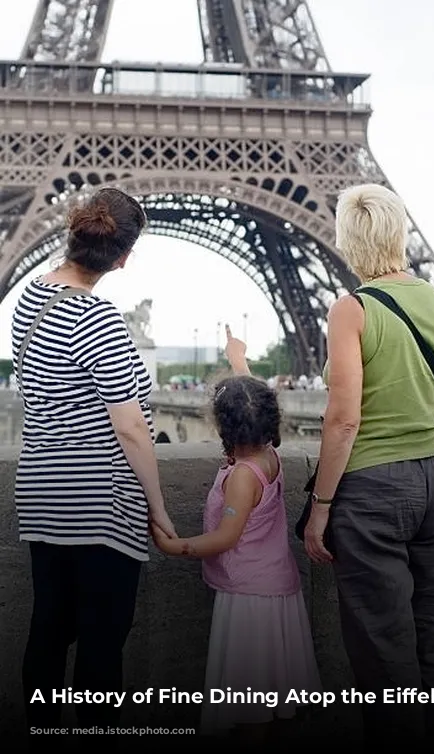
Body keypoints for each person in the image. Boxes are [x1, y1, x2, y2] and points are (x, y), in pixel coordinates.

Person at [11, 187, 177, 750]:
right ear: (124, 256)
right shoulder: (99, 316)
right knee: (103, 646)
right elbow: (131, 427)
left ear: (73, 232)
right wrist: (158, 510)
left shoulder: (31, 299)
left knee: (48, 632)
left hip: (41, 490)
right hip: (99, 501)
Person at [304, 184, 434, 749]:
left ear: (350, 242)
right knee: (430, 635)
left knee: (383, 650)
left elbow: (343, 420)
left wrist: (320, 508)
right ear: (399, 232)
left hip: (374, 490)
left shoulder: (352, 308)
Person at [152, 325, 322, 739]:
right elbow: (255, 401)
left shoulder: (242, 477)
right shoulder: (269, 456)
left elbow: (226, 537)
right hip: (275, 586)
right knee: (270, 699)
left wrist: (177, 547)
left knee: (249, 708)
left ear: (223, 427)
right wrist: (238, 361)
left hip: (250, 597)